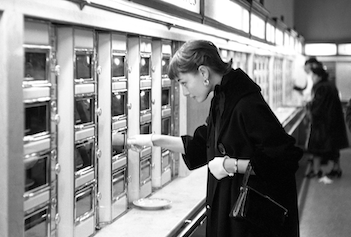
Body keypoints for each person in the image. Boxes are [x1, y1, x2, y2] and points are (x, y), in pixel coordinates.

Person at [128, 40, 303, 237]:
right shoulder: (223, 99)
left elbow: (285, 157)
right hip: (231, 211)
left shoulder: (245, 103)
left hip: (251, 223)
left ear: (203, 73)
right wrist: (153, 140)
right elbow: (202, 144)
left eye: (184, 83)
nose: (185, 92)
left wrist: (232, 165)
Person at [305, 66, 349, 178]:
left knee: (316, 147)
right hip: (333, 121)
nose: (312, 78)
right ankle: (336, 168)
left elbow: (318, 107)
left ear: (319, 76)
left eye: (313, 76)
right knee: (333, 147)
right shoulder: (330, 85)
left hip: (322, 124)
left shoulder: (321, 88)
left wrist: (309, 107)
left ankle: (316, 170)